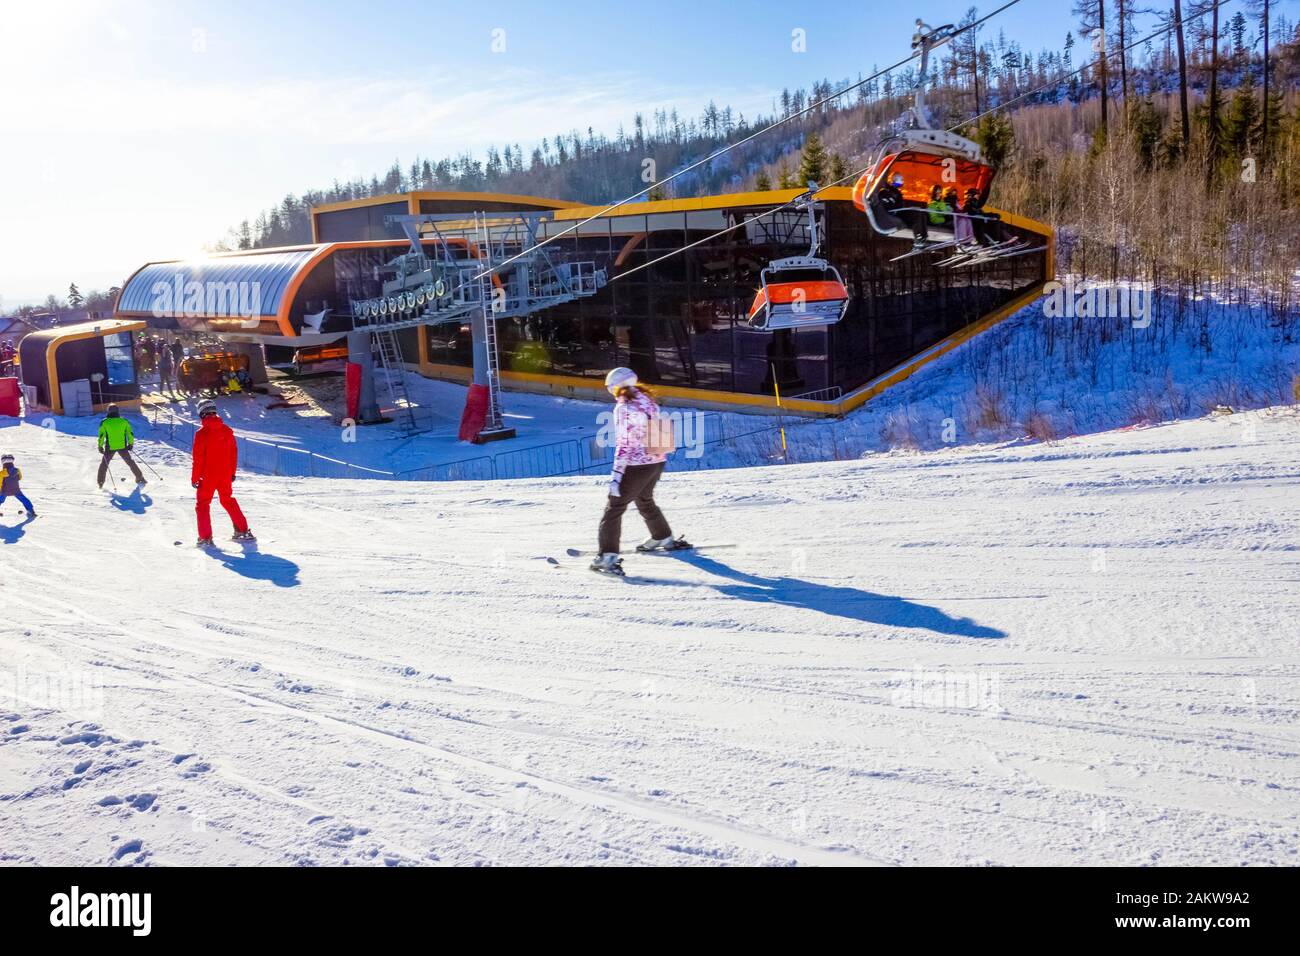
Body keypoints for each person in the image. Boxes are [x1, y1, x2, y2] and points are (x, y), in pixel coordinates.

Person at [592, 367, 688, 575]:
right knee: (644, 498)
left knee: (614, 508)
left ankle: (607, 557)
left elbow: (624, 444)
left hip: (636, 465)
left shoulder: (624, 407)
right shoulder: (647, 400)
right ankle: (662, 535)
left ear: (615, 387)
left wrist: (616, 476)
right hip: (656, 460)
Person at [191, 398, 254, 547]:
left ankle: (205, 538)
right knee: (227, 500)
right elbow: (233, 454)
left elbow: (198, 459)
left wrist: (195, 478)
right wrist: (232, 473)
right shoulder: (226, 430)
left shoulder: (202, 434)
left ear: (201, 414)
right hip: (225, 475)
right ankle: (243, 530)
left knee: (203, 505)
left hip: (207, 476)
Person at [96, 403, 146, 488]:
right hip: (122, 446)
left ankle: (100, 482)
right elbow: (130, 433)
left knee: (104, 464)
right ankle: (140, 477)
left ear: (108, 411)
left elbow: (101, 436)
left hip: (110, 447)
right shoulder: (124, 421)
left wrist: (100, 446)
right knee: (130, 462)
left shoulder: (105, 422)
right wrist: (130, 444)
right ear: (118, 412)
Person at [873, 174, 928, 249]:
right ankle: (918, 239)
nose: (902, 182)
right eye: (901, 180)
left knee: (920, 212)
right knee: (916, 214)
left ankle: (923, 238)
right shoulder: (886, 192)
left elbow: (898, 205)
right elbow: (888, 206)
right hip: (895, 213)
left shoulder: (896, 192)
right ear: (895, 180)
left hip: (898, 211)